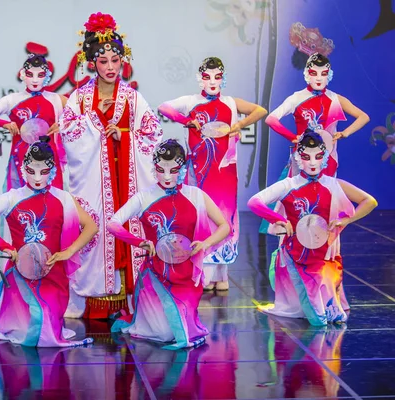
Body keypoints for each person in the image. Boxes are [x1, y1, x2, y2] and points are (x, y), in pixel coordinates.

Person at [59, 12, 163, 318]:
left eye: (115, 61)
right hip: (94, 181)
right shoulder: (79, 97)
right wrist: (93, 121)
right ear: (92, 62)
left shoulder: (132, 98)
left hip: (126, 179)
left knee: (128, 224)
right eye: (102, 61)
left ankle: (131, 295)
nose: (109, 67)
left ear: (122, 62)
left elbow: (153, 133)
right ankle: (87, 297)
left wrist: (125, 135)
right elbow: (68, 132)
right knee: (95, 228)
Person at [0, 137, 98, 347]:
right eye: (32, 170)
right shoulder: (12, 197)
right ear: (23, 169)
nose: (38, 177)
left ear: (53, 170)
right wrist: (4, 246)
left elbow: (91, 227)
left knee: (45, 331)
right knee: (38, 333)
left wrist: (69, 251)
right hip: (22, 274)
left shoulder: (64, 198)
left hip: (54, 274)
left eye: (44, 171)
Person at [158, 56, 267, 291]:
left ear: (223, 78)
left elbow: (260, 110)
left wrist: (241, 124)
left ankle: (222, 274)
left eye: (217, 76)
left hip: (225, 171)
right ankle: (206, 272)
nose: (213, 81)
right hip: (199, 170)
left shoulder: (230, 102)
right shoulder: (190, 101)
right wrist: (186, 120)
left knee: (226, 217)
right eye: (207, 77)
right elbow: (163, 108)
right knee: (203, 216)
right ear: (200, 79)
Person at [108, 140, 229, 349]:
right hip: (157, 275)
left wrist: (205, 243)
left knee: (178, 331)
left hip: (187, 275)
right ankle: (140, 315)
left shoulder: (196, 195)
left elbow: (224, 226)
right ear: (154, 167)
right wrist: (140, 242)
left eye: (173, 170)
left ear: (182, 168)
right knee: (164, 334)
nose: (166, 176)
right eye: (160, 169)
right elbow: (113, 223)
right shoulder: (144, 197)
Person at [248, 131, 377, 326]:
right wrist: (277, 219)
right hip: (296, 253)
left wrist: (346, 220)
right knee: (315, 316)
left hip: (324, 254)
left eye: (318, 156)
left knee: (325, 310)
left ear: (325, 157)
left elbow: (370, 201)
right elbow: (254, 202)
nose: (312, 162)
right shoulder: (288, 185)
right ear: (298, 158)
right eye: (306, 157)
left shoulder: (334, 184)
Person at [265, 52, 370, 177]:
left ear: (329, 75)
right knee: (297, 194)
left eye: (323, 73)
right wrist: (292, 137)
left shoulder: (335, 99)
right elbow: (271, 119)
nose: (319, 78)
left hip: (328, 159)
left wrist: (345, 133)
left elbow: (363, 117)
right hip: (302, 158)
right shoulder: (296, 98)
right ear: (307, 74)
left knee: (326, 194)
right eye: (314, 73)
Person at [0, 54, 67, 190]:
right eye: (30, 74)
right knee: (18, 200)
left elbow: (81, 115)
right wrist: (5, 124)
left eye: (40, 74)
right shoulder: (12, 100)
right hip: (21, 159)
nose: (35, 79)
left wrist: (64, 122)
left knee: (53, 202)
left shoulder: (57, 100)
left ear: (47, 75)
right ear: (23, 74)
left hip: (49, 159)